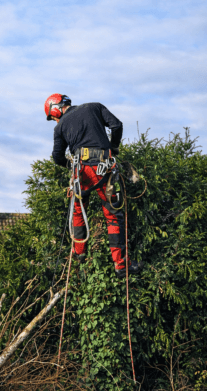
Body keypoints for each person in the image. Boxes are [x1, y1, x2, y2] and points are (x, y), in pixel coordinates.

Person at [45, 93, 142, 277]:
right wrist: (113, 147)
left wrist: (70, 165)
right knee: (113, 214)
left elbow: (57, 157)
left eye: (53, 117)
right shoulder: (94, 107)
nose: (55, 121)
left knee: (78, 209)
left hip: (80, 170)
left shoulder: (60, 128)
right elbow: (117, 125)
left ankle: (79, 252)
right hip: (104, 167)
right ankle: (121, 265)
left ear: (55, 110)